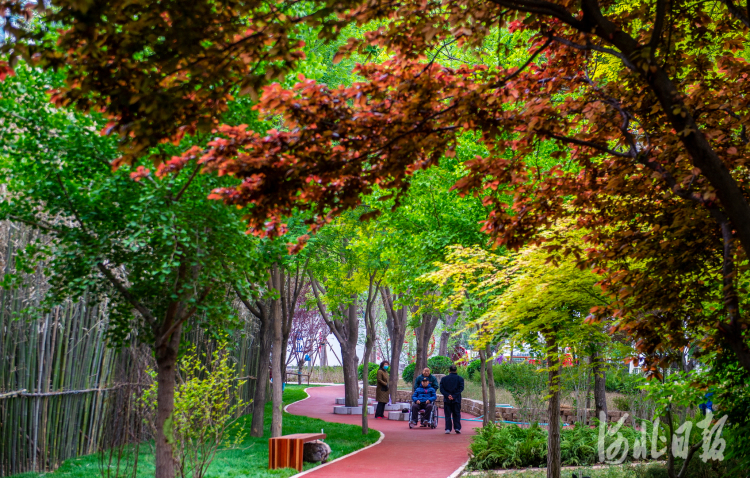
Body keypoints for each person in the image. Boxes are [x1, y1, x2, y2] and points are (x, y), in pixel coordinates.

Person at [439, 364, 464, 434]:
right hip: (456, 399)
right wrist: (454, 396)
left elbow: (441, 389)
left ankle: (448, 429)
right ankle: (457, 428)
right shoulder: (460, 379)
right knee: (456, 413)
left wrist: (448, 395)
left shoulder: (444, 379)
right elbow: (461, 388)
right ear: (456, 370)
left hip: (447, 400)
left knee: (447, 415)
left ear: (449, 370)